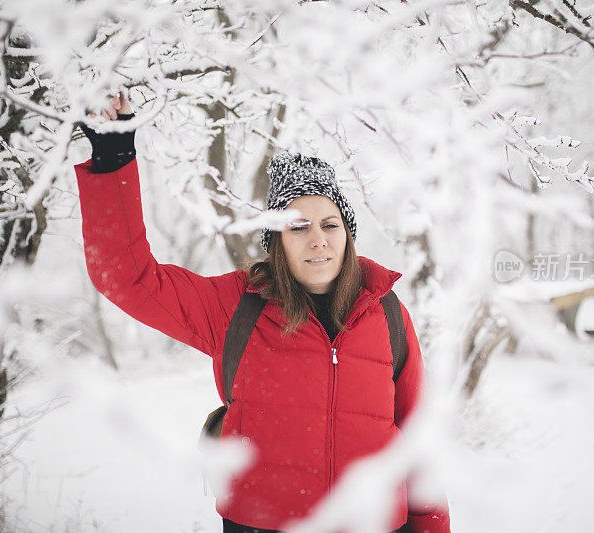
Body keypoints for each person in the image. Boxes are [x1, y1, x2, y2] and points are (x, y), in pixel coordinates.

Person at [75, 93, 451, 533]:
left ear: (348, 236)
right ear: (275, 242)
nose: (319, 240)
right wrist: (113, 160)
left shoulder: (387, 313)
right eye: (298, 226)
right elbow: (129, 279)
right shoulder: (236, 307)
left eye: (331, 225)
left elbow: (418, 440)